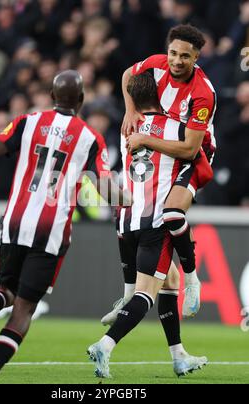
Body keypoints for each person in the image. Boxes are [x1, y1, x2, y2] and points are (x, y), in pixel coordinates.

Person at [0, 70, 131, 385]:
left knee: (7, 287)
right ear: (81, 100)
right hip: (51, 230)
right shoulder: (89, 137)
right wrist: (132, 198)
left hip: (15, 221)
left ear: (52, 97)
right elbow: (106, 189)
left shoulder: (26, 123)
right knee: (25, 307)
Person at [88, 70, 207, 380]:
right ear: (162, 96)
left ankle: (179, 355)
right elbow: (196, 156)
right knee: (146, 294)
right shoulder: (175, 128)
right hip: (155, 222)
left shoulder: (126, 128)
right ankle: (106, 344)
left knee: (170, 282)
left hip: (127, 220)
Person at [103, 24, 216, 323]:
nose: (177, 61)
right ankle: (134, 293)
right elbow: (128, 75)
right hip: (163, 145)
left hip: (195, 155)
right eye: (173, 53)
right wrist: (129, 110)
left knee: (172, 214)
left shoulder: (203, 94)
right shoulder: (156, 63)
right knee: (134, 215)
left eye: (185, 57)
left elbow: (190, 149)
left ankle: (192, 280)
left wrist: (144, 139)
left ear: (196, 58)